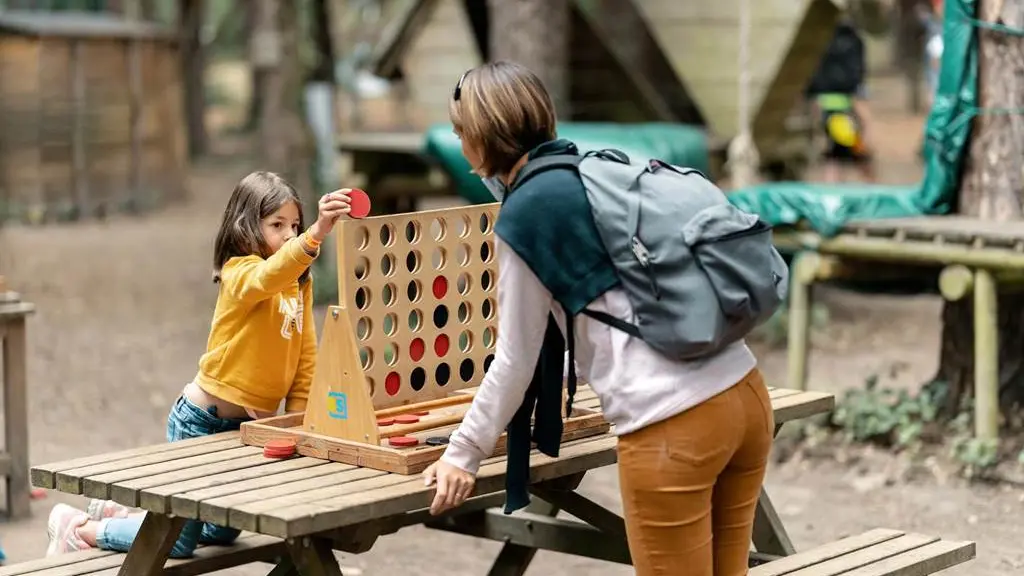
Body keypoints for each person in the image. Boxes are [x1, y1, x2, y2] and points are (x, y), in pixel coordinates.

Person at [422, 61, 775, 576]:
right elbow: (611, 322)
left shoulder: (526, 215)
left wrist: (463, 452)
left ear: (483, 133)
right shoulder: (592, 173)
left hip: (673, 426)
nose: (458, 143)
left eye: (460, 131)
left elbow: (515, 359)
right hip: (744, 394)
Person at [44, 171, 353, 557]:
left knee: (223, 533)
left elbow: (306, 356)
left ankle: (130, 514)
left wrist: (296, 422)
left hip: (247, 429)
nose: (290, 234)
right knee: (179, 542)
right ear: (245, 229)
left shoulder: (298, 283)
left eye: (295, 225)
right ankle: (82, 528)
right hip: (200, 423)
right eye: (277, 225)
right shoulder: (239, 272)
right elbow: (267, 277)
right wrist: (316, 234)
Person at [805, 17, 876, 183]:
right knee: (850, 153)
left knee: (836, 154)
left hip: (829, 107)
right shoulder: (853, 41)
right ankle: (872, 188)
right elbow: (857, 76)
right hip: (843, 109)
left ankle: (867, 187)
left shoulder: (821, 41)